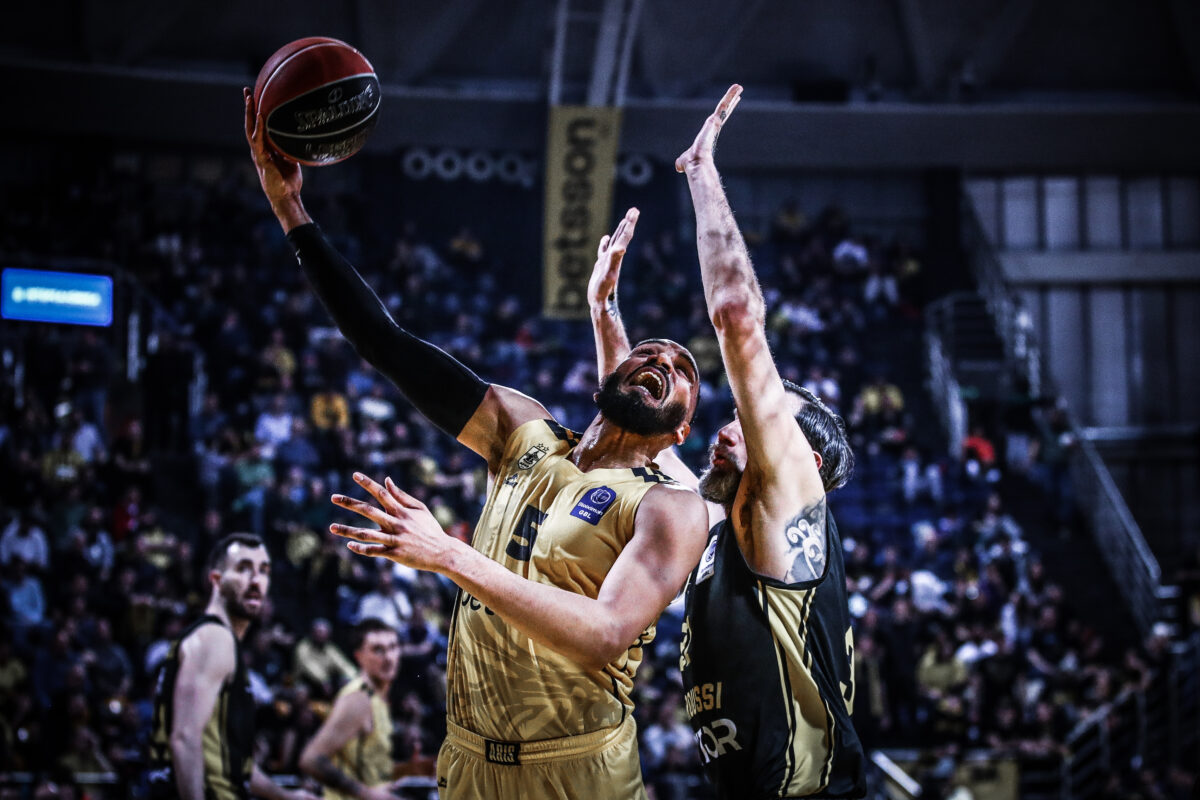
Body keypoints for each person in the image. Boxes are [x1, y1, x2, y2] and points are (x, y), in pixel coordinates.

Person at [245, 91, 710, 800]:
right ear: (612, 368)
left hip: (578, 769)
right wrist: (290, 212)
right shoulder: (520, 430)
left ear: (680, 429)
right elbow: (386, 344)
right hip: (465, 761)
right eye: (651, 351)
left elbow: (607, 632)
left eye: (683, 372)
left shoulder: (669, 507)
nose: (665, 362)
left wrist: (449, 554)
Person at [590, 86, 866, 798]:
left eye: (760, 421)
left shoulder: (787, 506)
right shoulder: (727, 520)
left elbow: (738, 315)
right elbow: (640, 440)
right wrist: (605, 315)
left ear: (801, 463)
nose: (729, 422)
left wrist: (701, 168)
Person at [146, 533, 317, 800]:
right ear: (215, 580)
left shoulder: (217, 644)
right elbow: (184, 739)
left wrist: (287, 796)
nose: (255, 580)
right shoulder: (214, 639)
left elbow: (232, 762)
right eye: (243, 569)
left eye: (263, 571)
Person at [299, 618, 403, 800]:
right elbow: (311, 760)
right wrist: (367, 794)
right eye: (378, 649)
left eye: (393, 647)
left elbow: (365, 765)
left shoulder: (376, 698)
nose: (388, 657)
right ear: (359, 657)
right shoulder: (358, 697)